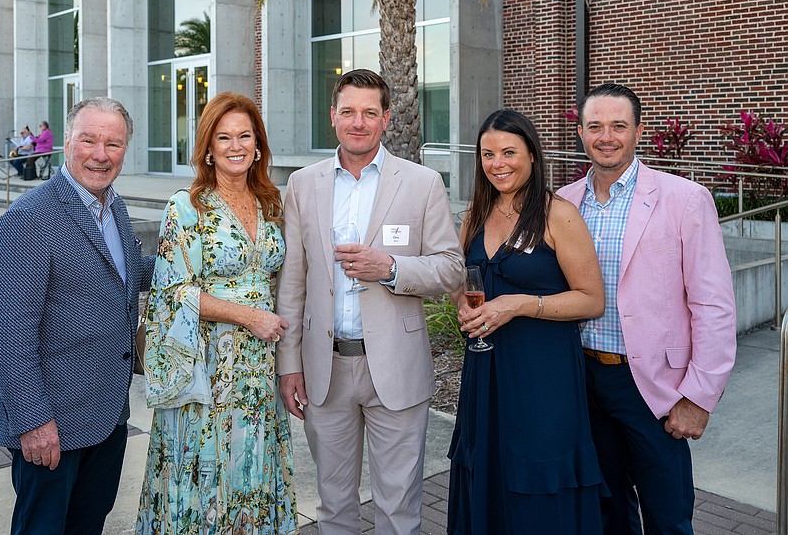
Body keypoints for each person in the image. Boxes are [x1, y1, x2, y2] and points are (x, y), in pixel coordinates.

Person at [276, 68, 464, 534]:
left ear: (386, 119)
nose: (357, 122)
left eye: (369, 112)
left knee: (398, 510)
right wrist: (289, 364)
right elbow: (293, 281)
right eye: (348, 112)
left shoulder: (422, 182)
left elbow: (451, 268)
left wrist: (391, 268)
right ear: (332, 117)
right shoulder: (303, 184)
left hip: (397, 367)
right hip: (325, 370)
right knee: (333, 506)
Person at [558, 83, 737, 535]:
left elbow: (713, 305)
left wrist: (699, 396)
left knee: (667, 517)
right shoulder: (562, 202)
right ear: (580, 132)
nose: (606, 137)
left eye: (618, 126)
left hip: (653, 387)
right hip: (581, 380)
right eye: (595, 126)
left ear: (638, 131)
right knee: (607, 513)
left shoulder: (685, 199)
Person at [0, 97, 155, 535]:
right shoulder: (28, 219)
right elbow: (7, 332)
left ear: (126, 149)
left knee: (88, 524)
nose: (101, 154)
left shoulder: (112, 206)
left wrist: (192, 262)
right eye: (89, 140)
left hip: (107, 414)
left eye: (113, 144)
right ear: (66, 143)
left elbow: (122, 272)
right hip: (52, 424)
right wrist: (34, 422)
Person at [135, 92, 297, 534]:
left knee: (253, 466)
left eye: (245, 136)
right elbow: (172, 292)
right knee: (205, 474)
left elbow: (280, 279)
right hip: (206, 370)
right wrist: (249, 316)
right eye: (224, 137)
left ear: (258, 145)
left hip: (259, 368)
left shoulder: (271, 203)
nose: (235, 146)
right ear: (208, 147)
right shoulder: (186, 207)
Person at [446, 109, 606, 534]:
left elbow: (592, 300)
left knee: (538, 482)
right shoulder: (475, 215)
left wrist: (519, 304)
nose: (498, 164)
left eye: (509, 152)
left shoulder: (559, 214)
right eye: (488, 154)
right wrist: (463, 306)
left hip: (543, 377)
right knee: (486, 469)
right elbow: (461, 283)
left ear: (532, 154)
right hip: (484, 371)